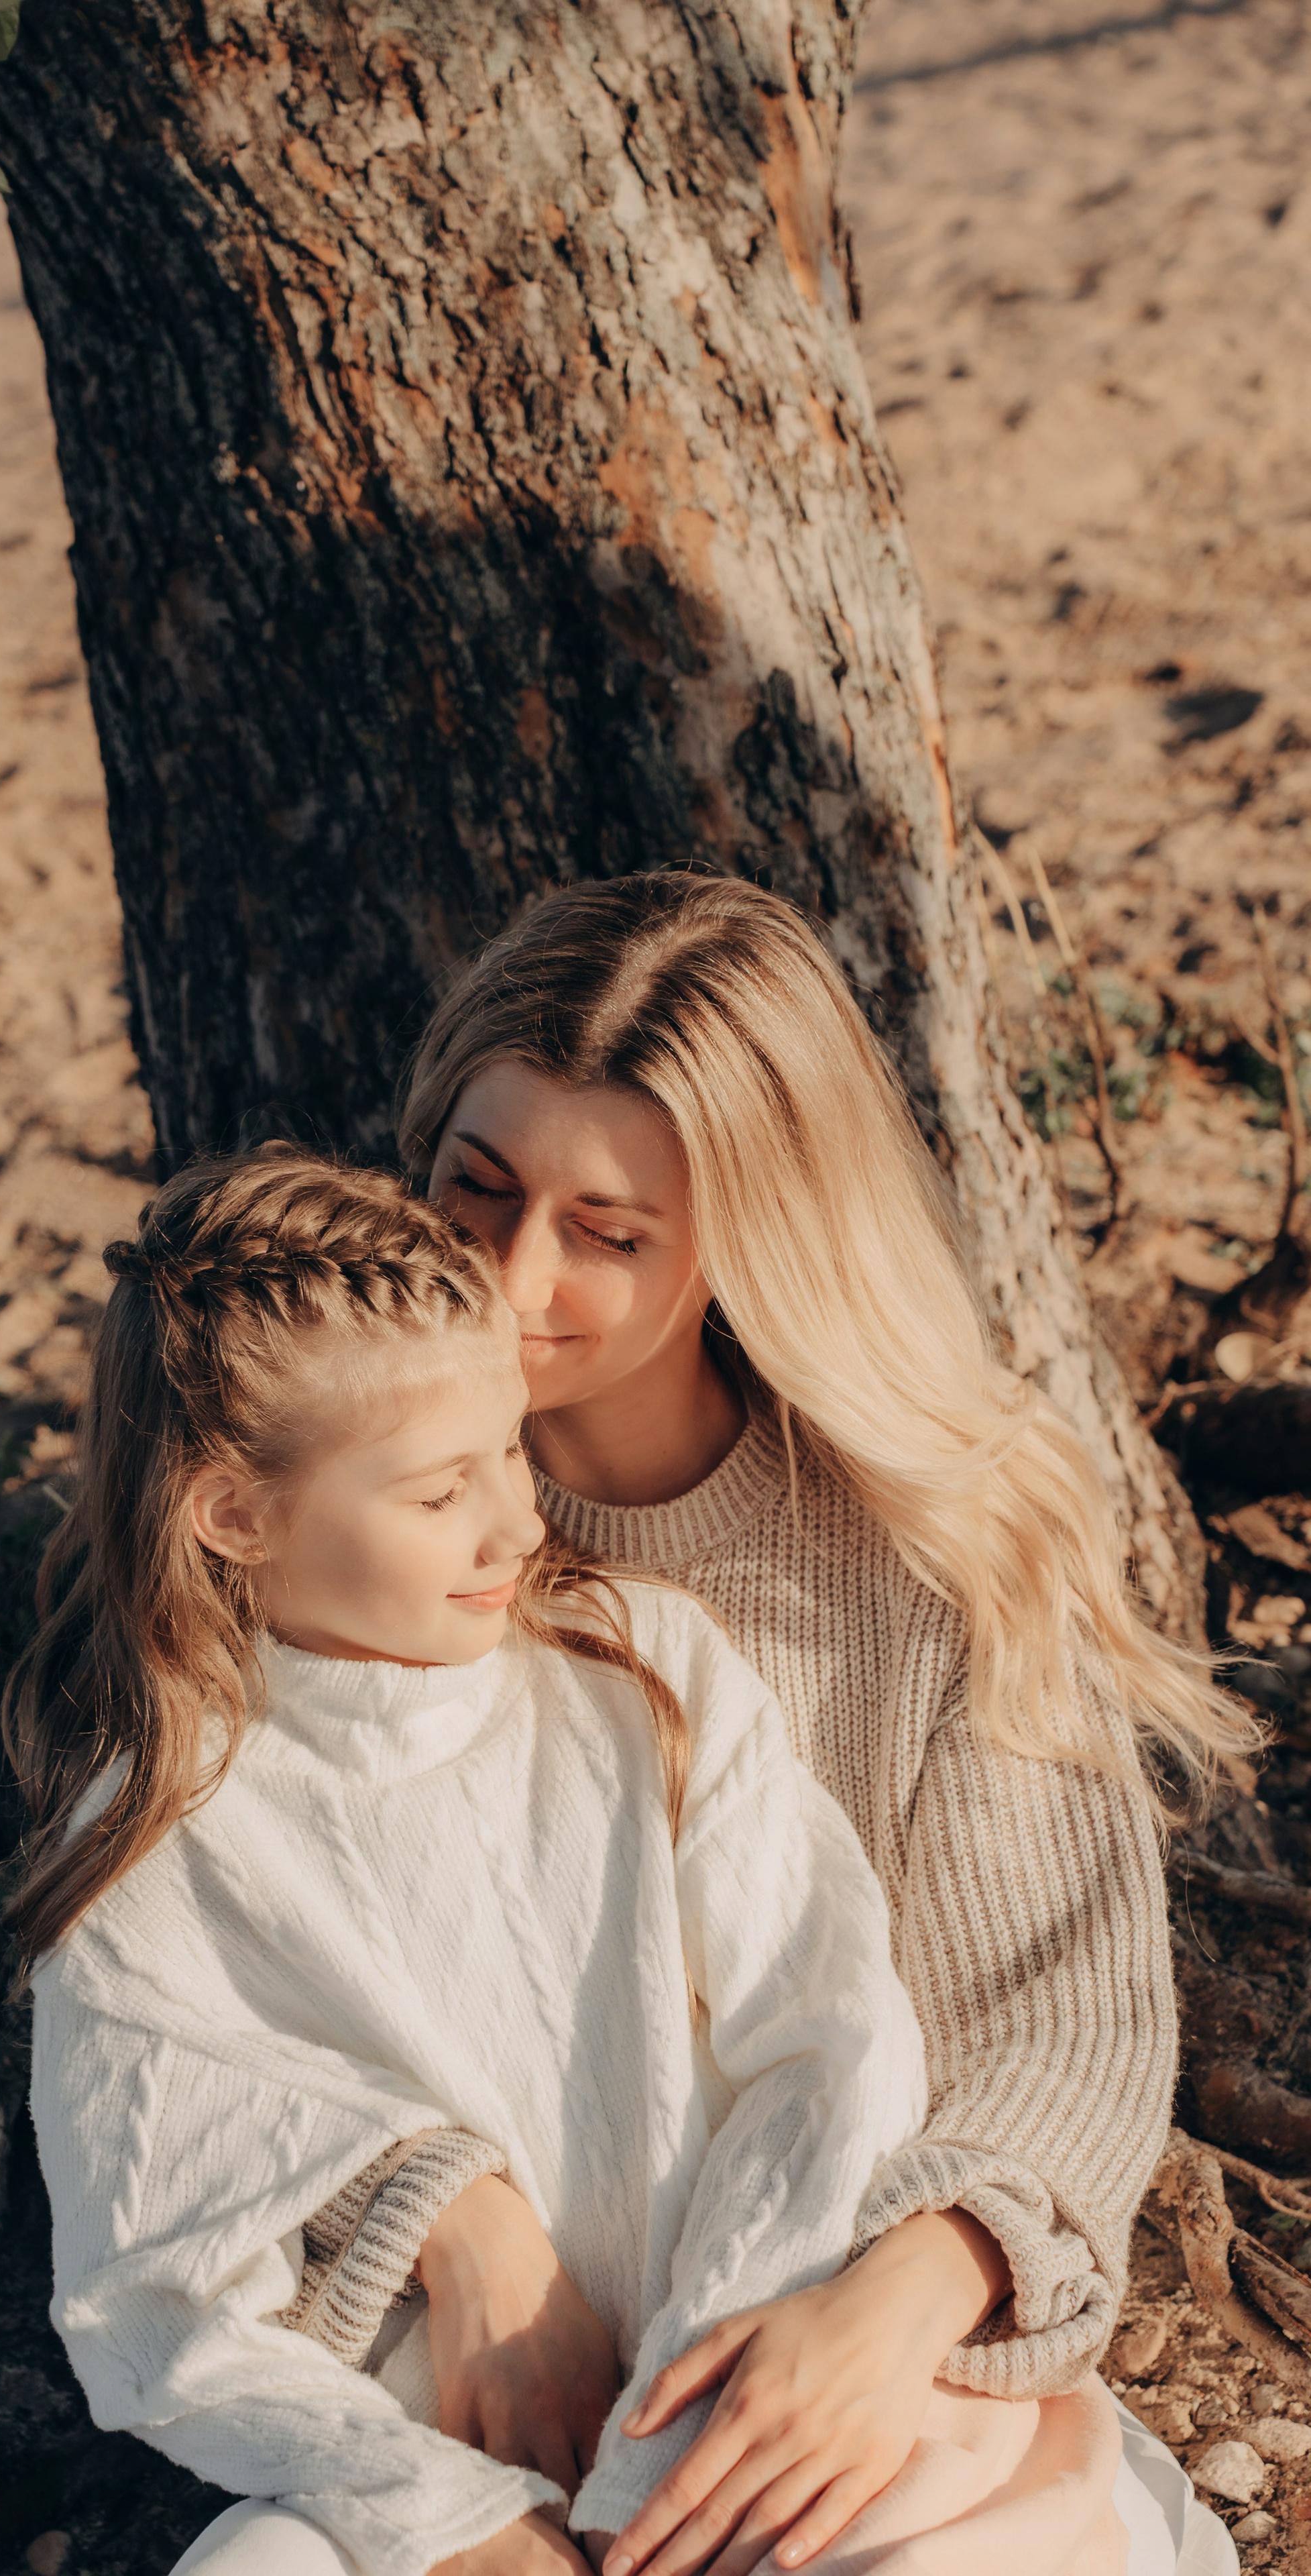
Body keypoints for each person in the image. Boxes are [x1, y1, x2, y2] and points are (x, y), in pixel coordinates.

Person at [282, 875, 1250, 2575]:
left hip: (850, 2351)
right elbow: (212, 1992)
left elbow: (1054, 2008)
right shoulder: (316, 1538)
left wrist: (895, 2300)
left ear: (746, 1232)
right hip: (471, 2386)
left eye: (608, 1231)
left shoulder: (935, 1549)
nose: (511, 1278)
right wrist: (449, 2216)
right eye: (478, 1189)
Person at [5, 1147, 1132, 2576]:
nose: (514, 1524)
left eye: (508, 1452)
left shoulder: (639, 1672)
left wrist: (676, 2436)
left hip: (762, 2375)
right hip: (436, 2461)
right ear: (233, 1514)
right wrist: (455, 2526)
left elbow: (831, 2042)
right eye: (434, 1495)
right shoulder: (156, 1835)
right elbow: (148, 2289)